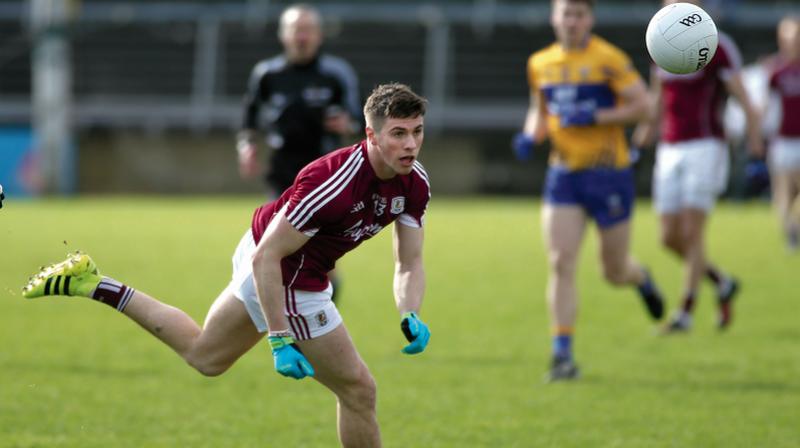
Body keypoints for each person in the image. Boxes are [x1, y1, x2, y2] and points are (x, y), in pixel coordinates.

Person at [23, 83, 431, 448]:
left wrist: (408, 309)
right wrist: (279, 338)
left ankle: (93, 283)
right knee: (359, 391)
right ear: (371, 135)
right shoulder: (332, 184)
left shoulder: (414, 182)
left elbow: (409, 260)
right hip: (284, 273)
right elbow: (267, 257)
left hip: (276, 254)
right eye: (398, 133)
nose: (410, 144)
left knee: (206, 357)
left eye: (416, 131)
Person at [513, 0, 664, 382]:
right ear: (554, 17)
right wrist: (531, 135)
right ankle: (562, 354)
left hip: (608, 173)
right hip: (563, 174)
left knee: (613, 271)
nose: (572, 21)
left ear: (590, 19)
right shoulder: (540, 63)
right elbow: (540, 109)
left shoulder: (609, 58)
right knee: (560, 261)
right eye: (566, 13)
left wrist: (595, 116)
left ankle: (640, 277)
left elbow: (645, 108)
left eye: (579, 14)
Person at [633, 0, 764, 333]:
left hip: (706, 146)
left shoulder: (715, 43)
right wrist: (640, 141)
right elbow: (658, 98)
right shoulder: (659, 36)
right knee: (668, 238)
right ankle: (721, 281)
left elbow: (744, 99)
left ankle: (685, 312)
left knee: (692, 232)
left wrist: (754, 146)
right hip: (669, 147)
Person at [237, 3, 362, 198]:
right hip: (281, 169)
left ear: (319, 35)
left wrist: (349, 125)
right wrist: (247, 146)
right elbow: (250, 113)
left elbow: (363, 118)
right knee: (278, 226)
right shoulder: (267, 74)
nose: (302, 37)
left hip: (326, 169)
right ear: (283, 34)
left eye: (308, 30)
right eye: (296, 30)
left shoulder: (337, 74)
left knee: (323, 227)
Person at [765, 16, 800, 252]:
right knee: (783, 192)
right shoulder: (774, 70)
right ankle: (791, 233)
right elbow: (767, 105)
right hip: (782, 141)